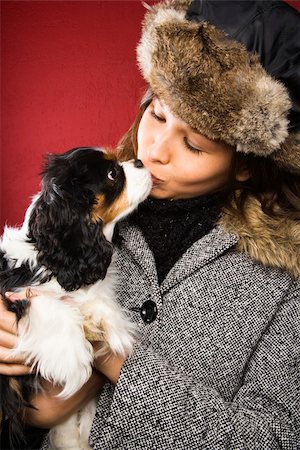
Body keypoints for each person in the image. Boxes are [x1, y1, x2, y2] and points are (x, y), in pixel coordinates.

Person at [1, 0, 300, 448]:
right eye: (157, 114)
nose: (155, 150)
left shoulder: (284, 281)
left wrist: (105, 351)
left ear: (245, 165)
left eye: (193, 145)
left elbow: (272, 439)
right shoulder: (83, 204)